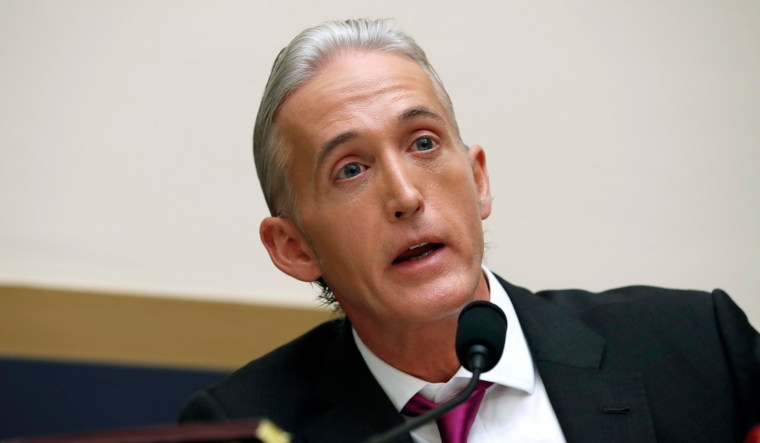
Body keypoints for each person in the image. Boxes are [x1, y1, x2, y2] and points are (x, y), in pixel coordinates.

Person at [179, 18, 760, 442]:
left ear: (478, 180)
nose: (405, 196)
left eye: (424, 143)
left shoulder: (698, 349)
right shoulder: (244, 427)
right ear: (295, 247)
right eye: (350, 169)